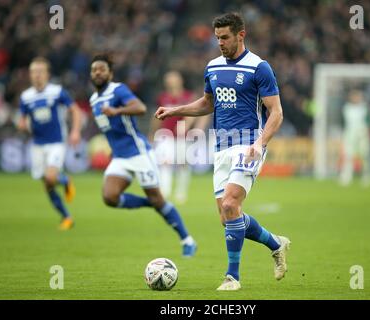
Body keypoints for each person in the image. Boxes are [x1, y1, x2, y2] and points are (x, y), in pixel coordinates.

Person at [155, 12, 290, 290]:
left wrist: (260, 144)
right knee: (227, 216)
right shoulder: (213, 67)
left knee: (230, 204)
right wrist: (175, 110)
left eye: (225, 37)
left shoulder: (259, 67)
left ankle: (232, 277)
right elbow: (207, 103)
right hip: (221, 147)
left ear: (241, 35)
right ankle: (276, 243)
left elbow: (276, 112)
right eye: (217, 38)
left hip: (249, 144)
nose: (220, 43)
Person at [89, 54, 197, 257]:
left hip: (138, 153)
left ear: (110, 73)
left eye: (101, 69)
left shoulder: (118, 90)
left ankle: (187, 240)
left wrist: (116, 110)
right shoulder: (93, 99)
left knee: (164, 189)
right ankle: (152, 203)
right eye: (94, 70)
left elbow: (140, 108)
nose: (97, 73)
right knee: (110, 197)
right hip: (120, 156)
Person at [18, 57, 82, 230]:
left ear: (47, 74)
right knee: (46, 182)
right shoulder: (26, 97)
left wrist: (75, 131)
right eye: (33, 72)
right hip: (37, 144)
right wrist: (22, 125)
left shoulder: (57, 91)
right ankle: (66, 217)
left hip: (56, 142)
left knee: (51, 177)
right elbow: (22, 119)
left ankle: (63, 179)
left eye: (40, 71)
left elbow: (75, 110)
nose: (37, 75)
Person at [150, 71, 211, 204]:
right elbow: (157, 117)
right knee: (165, 162)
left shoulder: (188, 96)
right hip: (166, 135)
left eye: (173, 79)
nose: (170, 81)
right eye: (168, 79)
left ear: (180, 80)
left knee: (183, 164)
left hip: (183, 136)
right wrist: (153, 132)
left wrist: (187, 125)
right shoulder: (162, 97)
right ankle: (164, 192)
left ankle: (180, 193)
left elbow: (195, 112)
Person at [339, 90, 370, 186]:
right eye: (354, 96)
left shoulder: (365, 108)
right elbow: (343, 122)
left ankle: (366, 176)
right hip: (350, 134)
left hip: (362, 133)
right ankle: (347, 176)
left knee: (365, 155)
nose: (356, 98)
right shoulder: (346, 108)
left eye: (357, 96)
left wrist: (365, 130)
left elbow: (369, 121)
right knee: (348, 156)